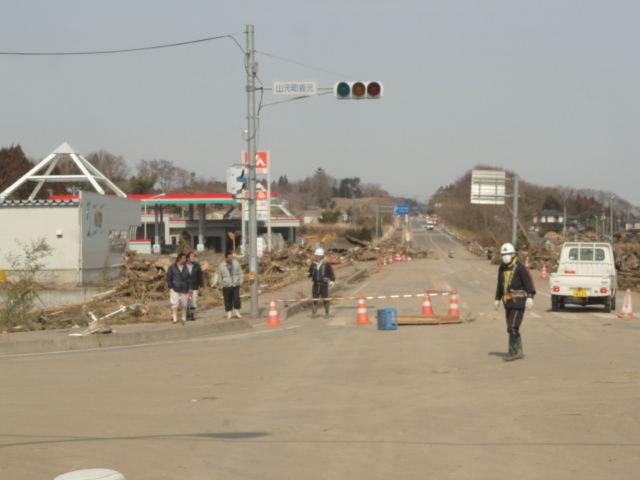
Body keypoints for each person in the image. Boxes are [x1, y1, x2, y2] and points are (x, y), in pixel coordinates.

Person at [494, 242, 536, 361]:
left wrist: (530, 297)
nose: (505, 256)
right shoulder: (501, 268)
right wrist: (497, 298)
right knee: (510, 327)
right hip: (507, 301)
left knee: (512, 326)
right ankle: (512, 350)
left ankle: (517, 351)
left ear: (513, 254)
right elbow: (500, 285)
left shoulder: (520, 267)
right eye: (503, 254)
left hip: (519, 301)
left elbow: (529, 282)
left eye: (507, 254)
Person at [307, 248, 336, 318]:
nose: (317, 257)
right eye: (317, 256)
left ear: (322, 256)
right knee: (314, 299)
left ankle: (327, 313)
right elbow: (310, 273)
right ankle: (314, 313)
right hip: (315, 284)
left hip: (323, 284)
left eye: (319, 256)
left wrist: (332, 280)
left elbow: (331, 273)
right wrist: (308, 274)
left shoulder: (326, 264)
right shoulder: (313, 264)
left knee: (325, 299)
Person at [166, 253, 191, 324]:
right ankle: (175, 318)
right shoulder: (172, 267)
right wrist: (170, 286)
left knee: (184, 304)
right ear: (180, 259)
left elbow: (188, 278)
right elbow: (169, 278)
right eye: (184, 259)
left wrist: (189, 286)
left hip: (184, 288)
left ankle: (183, 317)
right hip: (175, 288)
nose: (185, 260)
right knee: (175, 304)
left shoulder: (186, 267)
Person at [218, 251, 243, 319]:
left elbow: (240, 273)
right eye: (229, 257)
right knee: (227, 300)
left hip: (235, 284)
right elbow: (220, 277)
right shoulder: (221, 266)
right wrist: (221, 286)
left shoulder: (236, 263)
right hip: (226, 285)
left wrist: (240, 281)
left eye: (231, 257)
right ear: (226, 258)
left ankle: (237, 311)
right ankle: (229, 313)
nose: (231, 258)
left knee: (236, 298)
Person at [186, 251, 204, 321]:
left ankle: (192, 315)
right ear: (188, 258)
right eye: (192, 257)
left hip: (194, 286)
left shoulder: (197, 266)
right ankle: (187, 314)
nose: (194, 258)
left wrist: (201, 285)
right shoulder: (184, 266)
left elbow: (200, 276)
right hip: (186, 287)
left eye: (194, 257)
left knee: (193, 301)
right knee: (186, 301)